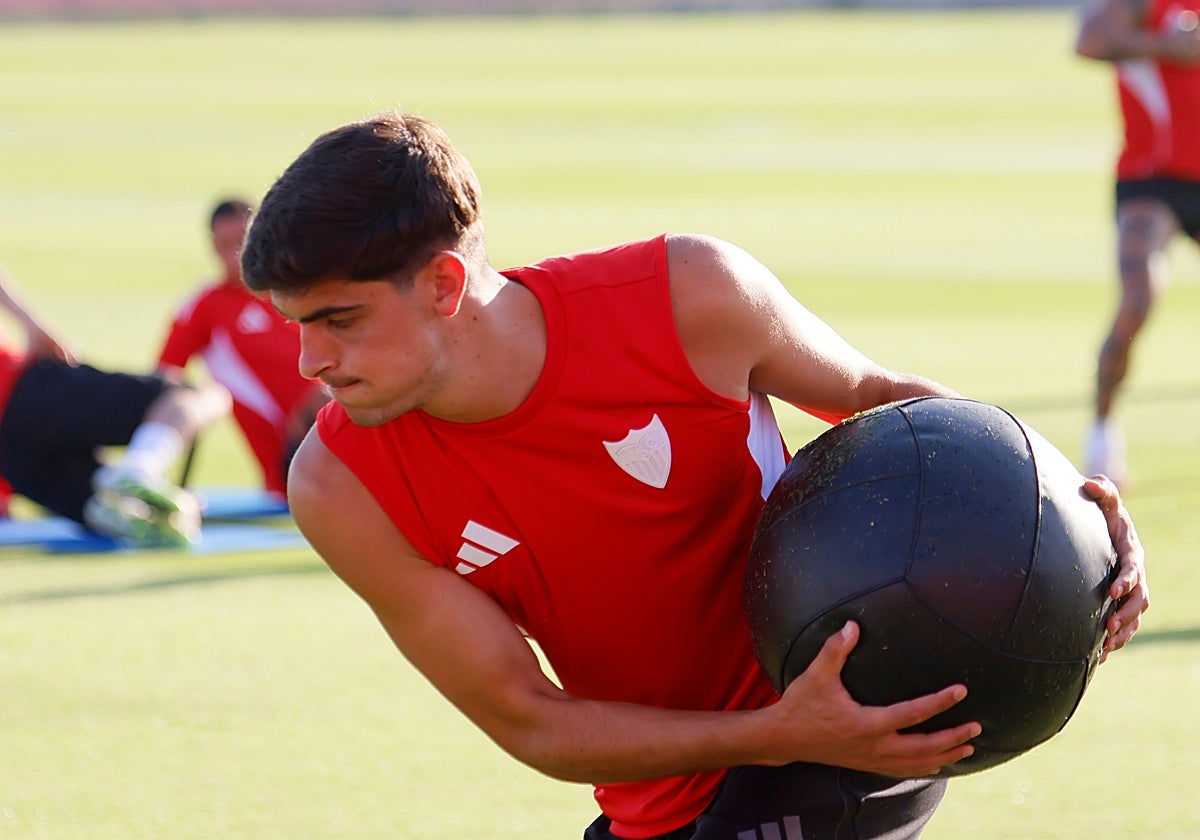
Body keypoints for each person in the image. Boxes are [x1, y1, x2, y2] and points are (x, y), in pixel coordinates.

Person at [240, 111, 1150, 840]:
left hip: (843, 729)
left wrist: (1068, 512)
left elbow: (882, 401)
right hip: (677, 791)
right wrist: (772, 735)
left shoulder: (687, 296)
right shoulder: (340, 485)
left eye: (340, 321)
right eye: (297, 325)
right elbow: (528, 717)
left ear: (443, 284)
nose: (310, 362)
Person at [0, 265, 230, 547]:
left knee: (110, 510)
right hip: (20, 391)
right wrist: (31, 322)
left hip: (9, 456)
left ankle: (131, 492)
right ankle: (139, 470)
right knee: (199, 395)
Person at [1075, 0, 1200, 485]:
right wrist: (1165, 46)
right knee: (1138, 298)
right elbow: (1089, 40)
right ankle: (1102, 435)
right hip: (1155, 177)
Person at [156, 198, 328, 498]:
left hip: (341, 425)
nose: (235, 256)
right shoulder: (206, 306)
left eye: (241, 243)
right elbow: (163, 376)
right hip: (293, 460)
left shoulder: (295, 291)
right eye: (225, 246)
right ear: (213, 246)